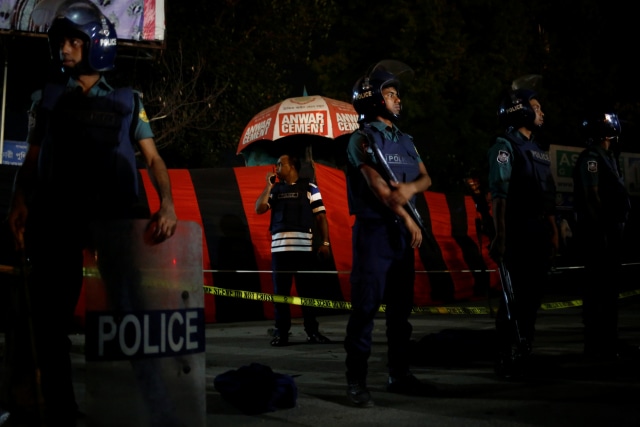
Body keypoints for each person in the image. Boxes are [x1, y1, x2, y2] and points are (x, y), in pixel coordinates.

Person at [4, 1, 177, 425]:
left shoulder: (127, 100)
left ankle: (149, 405)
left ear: (95, 45)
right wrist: (20, 201)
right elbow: (33, 159)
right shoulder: (44, 98)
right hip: (57, 219)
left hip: (116, 220)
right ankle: (61, 411)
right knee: (49, 324)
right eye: (61, 40)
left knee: (132, 317)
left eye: (74, 41)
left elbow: (153, 159)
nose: (64, 48)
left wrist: (167, 203)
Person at [344, 61, 434, 408]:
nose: (398, 99)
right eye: (391, 93)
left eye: (397, 93)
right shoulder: (361, 140)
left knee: (400, 312)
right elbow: (381, 191)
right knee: (365, 309)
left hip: (401, 237)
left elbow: (426, 178)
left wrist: (410, 191)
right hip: (375, 235)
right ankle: (356, 381)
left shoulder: (406, 140)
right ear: (374, 99)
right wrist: (409, 220)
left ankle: (400, 374)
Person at [488, 88, 559, 379]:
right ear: (522, 111)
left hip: (540, 230)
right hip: (519, 230)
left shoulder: (538, 150)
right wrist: (501, 236)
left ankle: (524, 349)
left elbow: (548, 196)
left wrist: (553, 231)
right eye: (536, 107)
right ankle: (505, 356)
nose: (541, 112)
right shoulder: (505, 146)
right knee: (513, 298)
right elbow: (499, 196)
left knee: (533, 297)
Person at [255, 153, 332, 346]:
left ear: (292, 166)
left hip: (304, 250)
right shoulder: (276, 190)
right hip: (280, 251)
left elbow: (321, 217)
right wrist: (268, 186)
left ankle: (312, 332)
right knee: (281, 294)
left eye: (280, 164)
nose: (277, 168)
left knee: (307, 293)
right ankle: (281, 333)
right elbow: (259, 208)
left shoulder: (310, 187)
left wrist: (325, 243)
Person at [572, 111, 631, 361]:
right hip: (599, 236)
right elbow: (592, 197)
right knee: (599, 290)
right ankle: (598, 345)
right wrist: (602, 231)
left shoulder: (608, 157)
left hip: (611, 232)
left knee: (609, 291)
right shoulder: (592, 158)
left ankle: (609, 341)